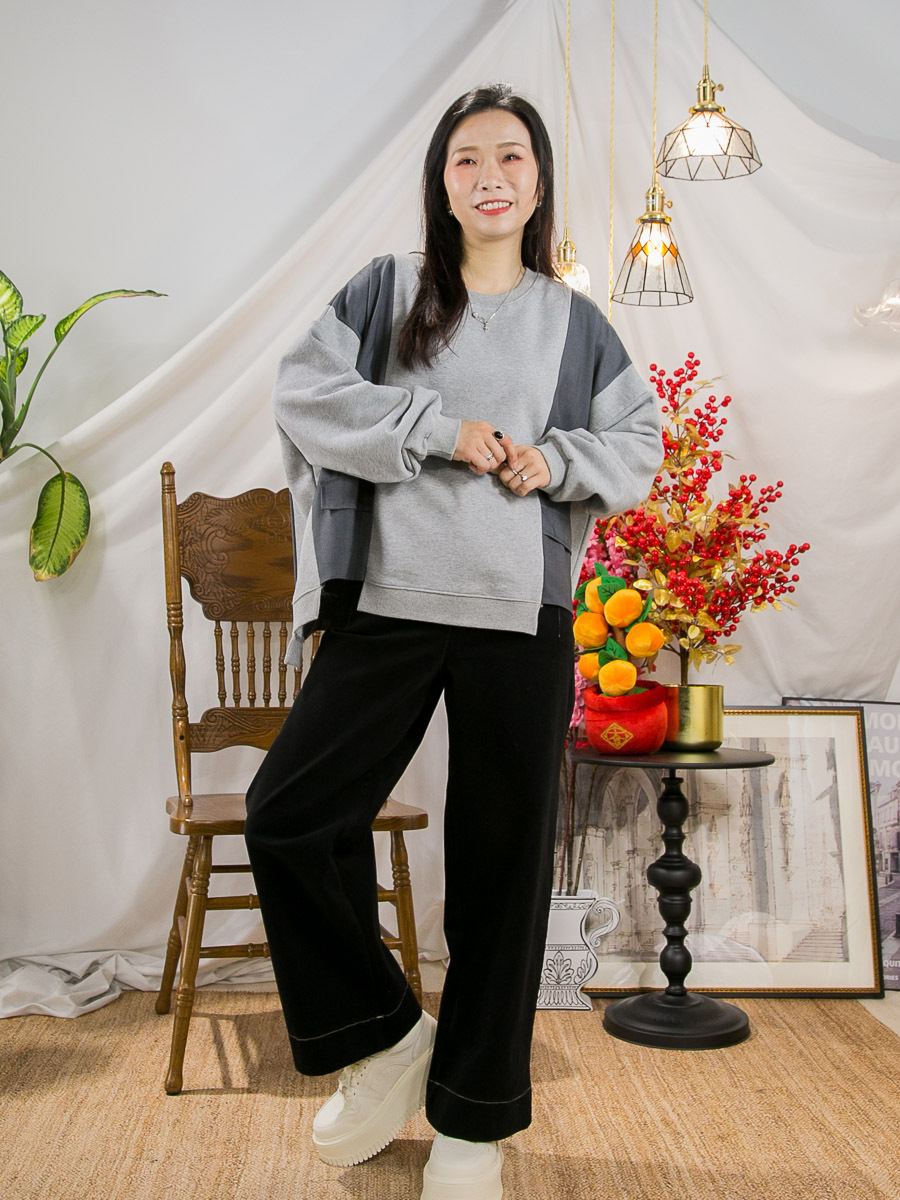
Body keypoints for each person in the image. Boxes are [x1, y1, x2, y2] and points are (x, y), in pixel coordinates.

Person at [244, 83, 662, 1200]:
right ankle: (389, 1037)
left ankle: (473, 1121)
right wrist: (435, 428)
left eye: (511, 157)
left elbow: (638, 441)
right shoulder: (387, 291)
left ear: (539, 179)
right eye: (468, 158)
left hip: (521, 618)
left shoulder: (575, 322)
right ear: (441, 180)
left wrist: (556, 459)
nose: (490, 177)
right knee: (288, 817)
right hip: (384, 602)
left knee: (499, 870)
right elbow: (303, 394)